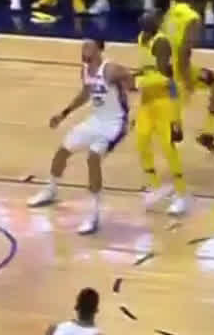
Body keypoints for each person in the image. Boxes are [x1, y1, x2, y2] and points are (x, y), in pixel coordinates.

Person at [26, 40, 137, 235]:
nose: (84, 50)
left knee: (93, 159)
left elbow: (130, 81)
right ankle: (50, 189)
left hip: (114, 123)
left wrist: (133, 97)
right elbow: (85, 94)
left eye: (88, 47)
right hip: (96, 120)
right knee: (62, 151)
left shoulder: (110, 69)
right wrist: (64, 113)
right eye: (83, 47)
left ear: (99, 50)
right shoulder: (85, 70)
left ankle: (94, 214)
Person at [162, 0, 214, 155]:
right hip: (178, 71)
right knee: (174, 134)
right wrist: (187, 80)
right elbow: (184, 51)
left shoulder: (171, 11)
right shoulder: (193, 18)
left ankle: (207, 134)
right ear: (200, 1)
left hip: (164, 67)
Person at [135, 11, 189, 217]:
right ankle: (155, 187)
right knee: (141, 141)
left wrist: (176, 119)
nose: (146, 21)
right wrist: (133, 76)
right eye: (144, 19)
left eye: (151, 19)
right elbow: (145, 69)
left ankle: (181, 195)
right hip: (147, 100)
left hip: (165, 100)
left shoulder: (162, 43)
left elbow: (166, 77)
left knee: (168, 147)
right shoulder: (141, 38)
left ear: (156, 23)